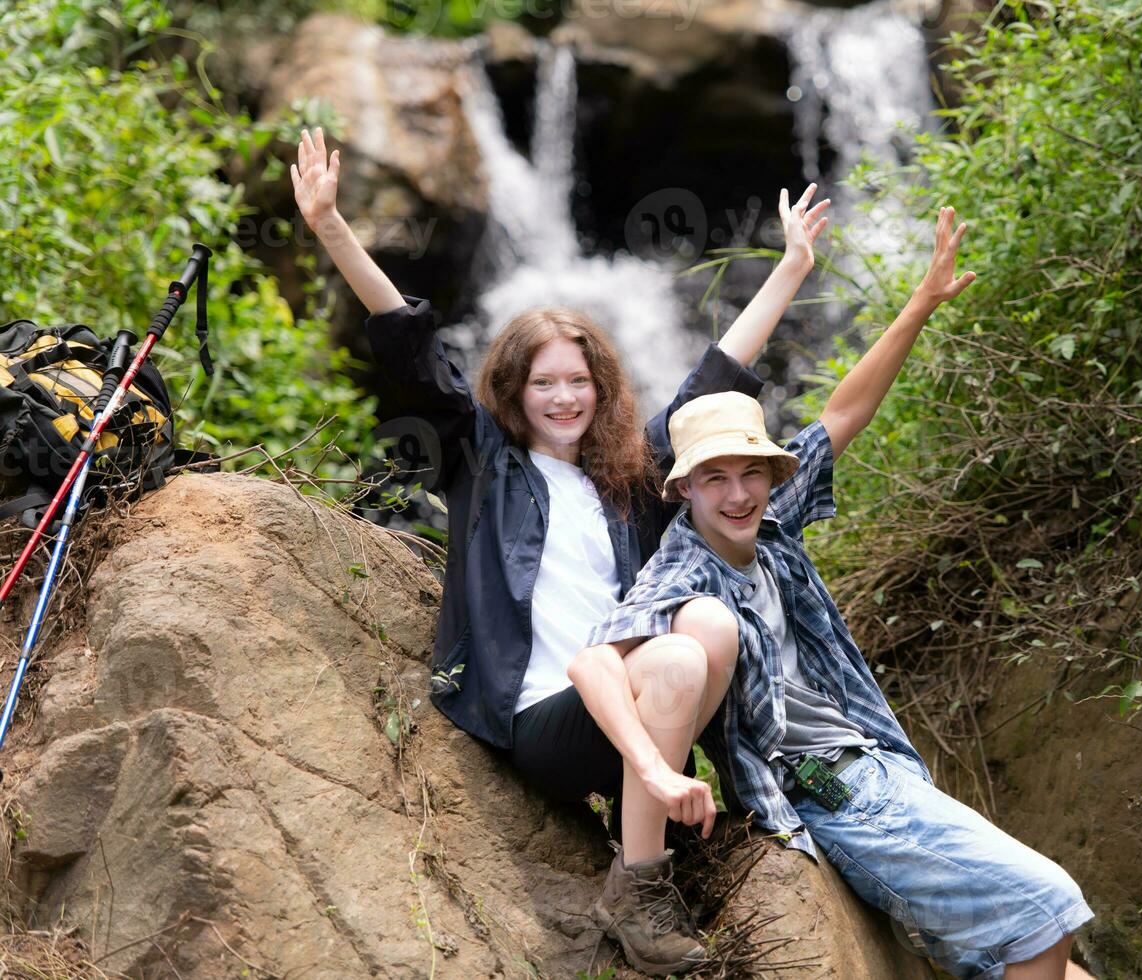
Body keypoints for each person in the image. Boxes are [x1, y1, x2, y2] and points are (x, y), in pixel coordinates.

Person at [289, 127, 831, 973]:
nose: (563, 397)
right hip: (541, 713)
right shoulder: (482, 461)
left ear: (601, 387)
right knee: (683, 660)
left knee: (710, 628)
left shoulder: (634, 477)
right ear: (513, 391)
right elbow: (407, 342)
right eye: (544, 382)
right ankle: (641, 883)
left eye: (578, 381)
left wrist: (793, 267)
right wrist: (329, 226)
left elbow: (714, 381)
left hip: (636, 709)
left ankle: (641, 836)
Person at [578, 207, 1093, 979]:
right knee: (1048, 907)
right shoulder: (682, 572)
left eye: (751, 470)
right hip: (829, 789)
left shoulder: (771, 519)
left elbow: (843, 412)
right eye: (715, 477)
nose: (739, 492)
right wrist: (653, 773)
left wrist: (920, 303)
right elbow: (596, 660)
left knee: (1059, 957)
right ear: (684, 489)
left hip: (879, 759)